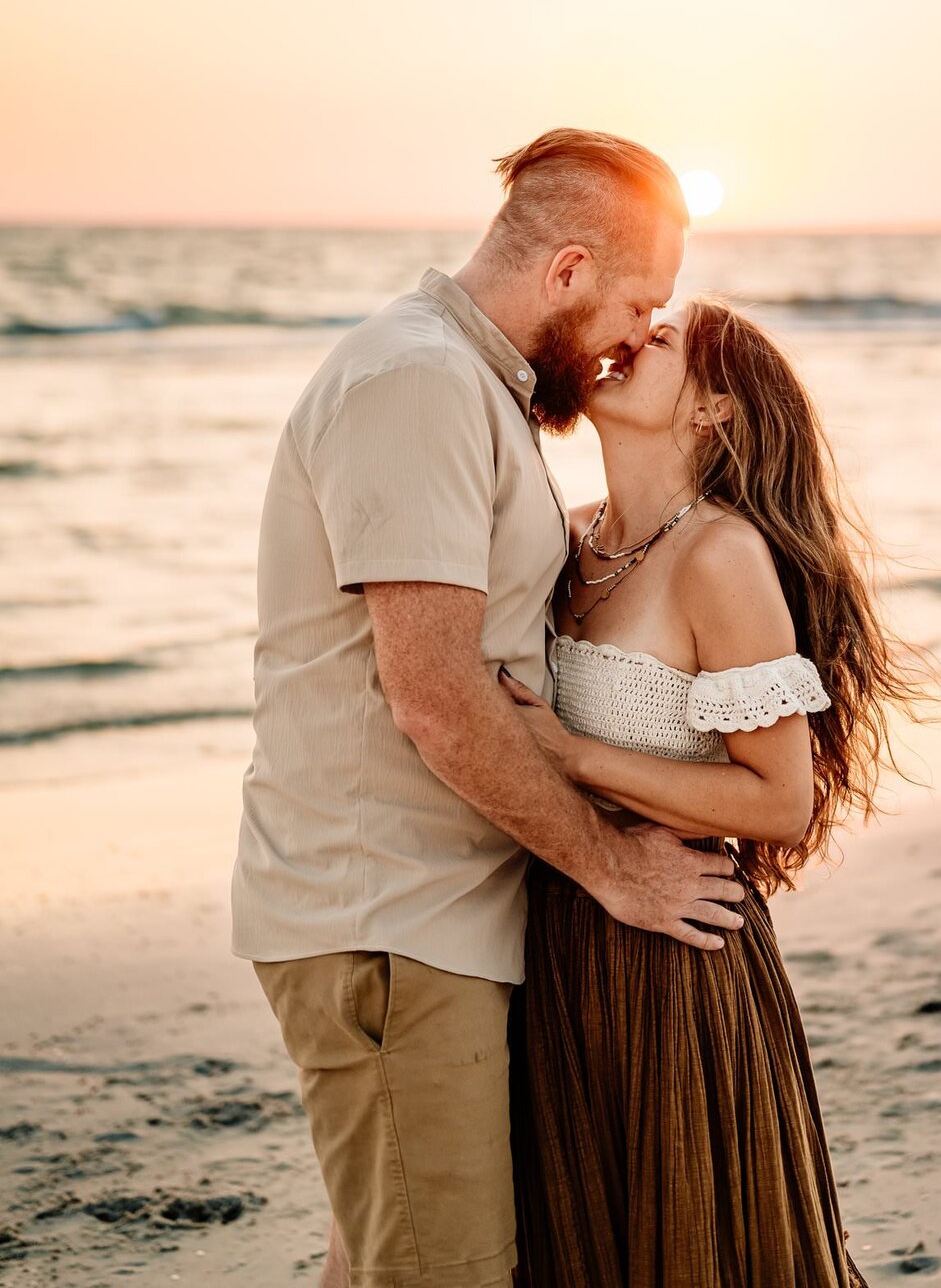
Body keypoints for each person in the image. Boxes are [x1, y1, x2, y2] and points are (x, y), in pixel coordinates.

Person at [230, 130, 748, 1288]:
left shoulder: (475, 387)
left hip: (429, 916)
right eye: (635, 303)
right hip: (388, 919)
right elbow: (436, 696)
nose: (635, 339)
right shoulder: (417, 381)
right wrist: (613, 867)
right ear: (566, 270)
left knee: (388, 1257)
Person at [502, 295, 934, 1288]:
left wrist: (575, 756)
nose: (625, 344)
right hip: (557, 939)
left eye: (659, 343)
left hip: (679, 955)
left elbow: (780, 801)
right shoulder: (565, 540)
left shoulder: (721, 557)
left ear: (716, 411)